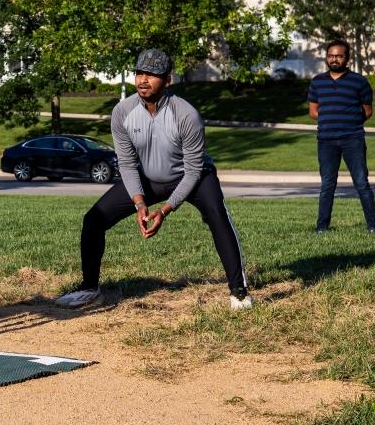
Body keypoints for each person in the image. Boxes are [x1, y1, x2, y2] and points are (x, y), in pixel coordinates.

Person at [56, 48, 253, 312]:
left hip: (194, 177)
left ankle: (239, 292)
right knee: (94, 219)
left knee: (217, 214)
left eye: (152, 74)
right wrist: (139, 203)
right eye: (139, 73)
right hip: (149, 178)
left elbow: (194, 170)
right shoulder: (122, 112)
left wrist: (164, 209)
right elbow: (126, 163)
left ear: (168, 80)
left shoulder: (186, 115)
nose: (143, 80)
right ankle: (90, 288)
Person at [307, 39, 375, 235]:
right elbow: (313, 111)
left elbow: (367, 111)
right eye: (331, 55)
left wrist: (349, 122)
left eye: (339, 56)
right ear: (326, 57)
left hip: (353, 139)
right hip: (326, 141)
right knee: (327, 185)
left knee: (361, 183)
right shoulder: (317, 82)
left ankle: (373, 226)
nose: (334, 59)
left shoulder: (359, 81)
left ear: (347, 58)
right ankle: (322, 227)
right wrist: (330, 120)